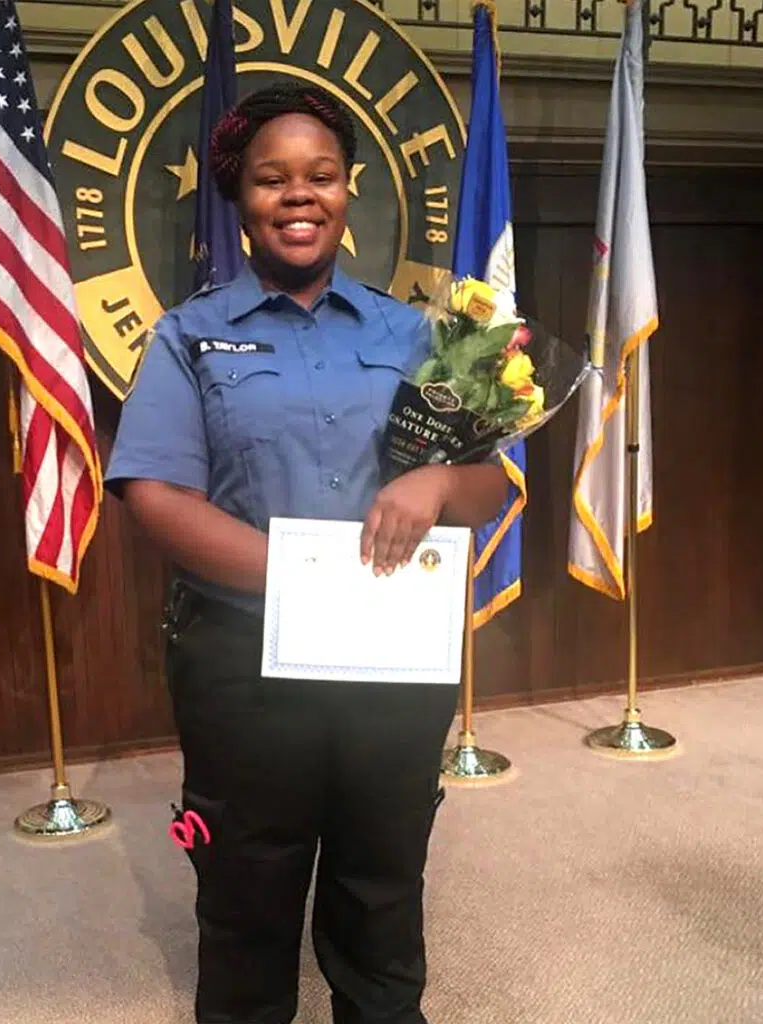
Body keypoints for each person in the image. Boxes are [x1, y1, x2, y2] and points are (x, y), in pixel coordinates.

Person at [104, 82, 508, 1024]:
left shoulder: (419, 334)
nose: (298, 195)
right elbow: (155, 493)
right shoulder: (190, 336)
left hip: (391, 657)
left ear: (347, 190)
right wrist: (305, 584)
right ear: (239, 198)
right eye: (271, 178)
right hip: (243, 659)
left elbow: (489, 485)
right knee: (246, 884)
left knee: (382, 880)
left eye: (320, 175)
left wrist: (437, 483)